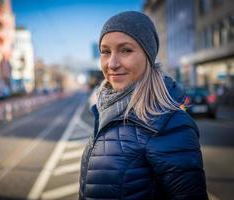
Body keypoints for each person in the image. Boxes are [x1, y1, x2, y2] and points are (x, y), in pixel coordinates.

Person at [79, 11, 208, 200]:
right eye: (105, 51)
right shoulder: (106, 109)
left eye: (125, 50)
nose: (112, 63)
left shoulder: (170, 124)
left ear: (148, 55)